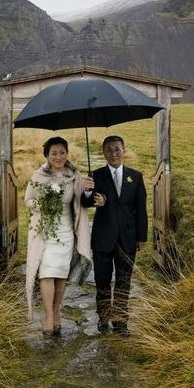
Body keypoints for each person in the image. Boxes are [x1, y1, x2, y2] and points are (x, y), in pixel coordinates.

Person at [24, 136, 92, 337]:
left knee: (61, 276)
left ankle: (56, 311)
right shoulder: (39, 176)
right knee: (46, 273)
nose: (58, 156)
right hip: (46, 233)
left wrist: (87, 188)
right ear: (47, 155)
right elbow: (28, 200)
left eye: (62, 152)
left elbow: (83, 199)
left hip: (66, 232)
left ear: (67, 153)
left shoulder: (74, 174)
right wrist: (43, 206)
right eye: (54, 153)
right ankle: (47, 316)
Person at [81, 135, 148, 336]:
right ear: (104, 153)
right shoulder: (97, 175)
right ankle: (103, 318)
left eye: (117, 149)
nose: (114, 154)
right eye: (109, 150)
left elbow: (141, 209)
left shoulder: (135, 177)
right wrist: (89, 194)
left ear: (124, 150)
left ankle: (120, 321)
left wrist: (141, 237)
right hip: (103, 238)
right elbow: (86, 202)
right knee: (102, 280)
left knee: (123, 280)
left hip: (127, 238)